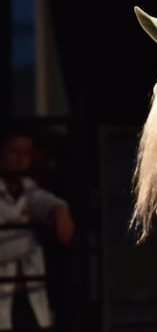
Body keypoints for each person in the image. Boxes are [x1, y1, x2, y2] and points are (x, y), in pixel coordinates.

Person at [0, 127, 74, 330]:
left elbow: (41, 201)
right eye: (15, 151)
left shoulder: (27, 187)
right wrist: (33, 239)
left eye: (26, 153)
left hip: (28, 295)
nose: (21, 159)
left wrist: (59, 209)